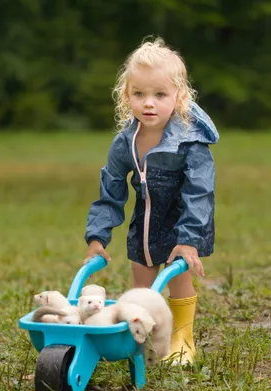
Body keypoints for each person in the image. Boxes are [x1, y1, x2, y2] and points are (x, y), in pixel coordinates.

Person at [83, 37, 219, 364]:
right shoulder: (124, 143)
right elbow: (111, 190)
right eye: (139, 94)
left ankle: (182, 338)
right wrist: (97, 236)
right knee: (143, 290)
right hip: (142, 227)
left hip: (180, 225)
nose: (149, 103)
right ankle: (143, 340)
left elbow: (199, 194)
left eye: (160, 95)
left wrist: (189, 241)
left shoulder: (190, 144)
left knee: (178, 279)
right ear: (125, 96)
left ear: (179, 97)